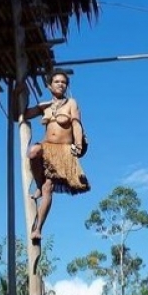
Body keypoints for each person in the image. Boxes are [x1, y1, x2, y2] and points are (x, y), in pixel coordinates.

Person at [22, 69, 90, 241]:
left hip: (63, 151)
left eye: (64, 82)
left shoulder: (71, 103)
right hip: (46, 147)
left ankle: (38, 229)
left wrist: (78, 144)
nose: (61, 84)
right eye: (57, 82)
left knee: (48, 189)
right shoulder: (45, 106)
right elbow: (21, 115)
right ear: (49, 85)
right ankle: (38, 184)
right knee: (33, 152)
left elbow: (76, 124)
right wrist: (19, 92)